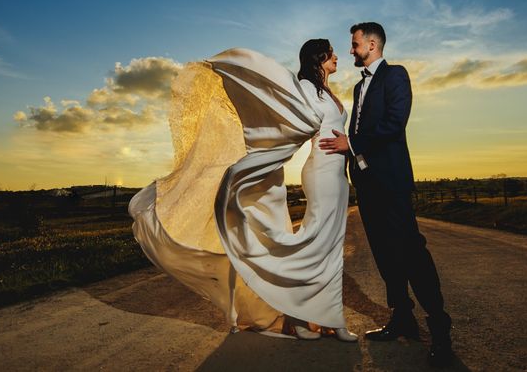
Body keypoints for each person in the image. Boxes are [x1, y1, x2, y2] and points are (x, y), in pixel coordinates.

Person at [128, 41, 357, 342]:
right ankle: (297, 317)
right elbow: (286, 126)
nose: (338, 55)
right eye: (332, 52)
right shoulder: (302, 86)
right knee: (312, 247)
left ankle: (330, 320)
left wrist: (350, 146)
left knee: (330, 249)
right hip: (320, 174)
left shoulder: (328, 91)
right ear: (319, 58)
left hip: (338, 178)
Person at [319, 22, 455, 367]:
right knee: (384, 254)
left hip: (391, 182)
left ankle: (439, 328)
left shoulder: (396, 75)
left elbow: (396, 123)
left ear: (373, 44)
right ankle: (402, 318)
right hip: (366, 182)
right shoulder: (357, 87)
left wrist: (353, 142)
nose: (350, 50)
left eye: (354, 44)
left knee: (411, 251)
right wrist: (350, 151)